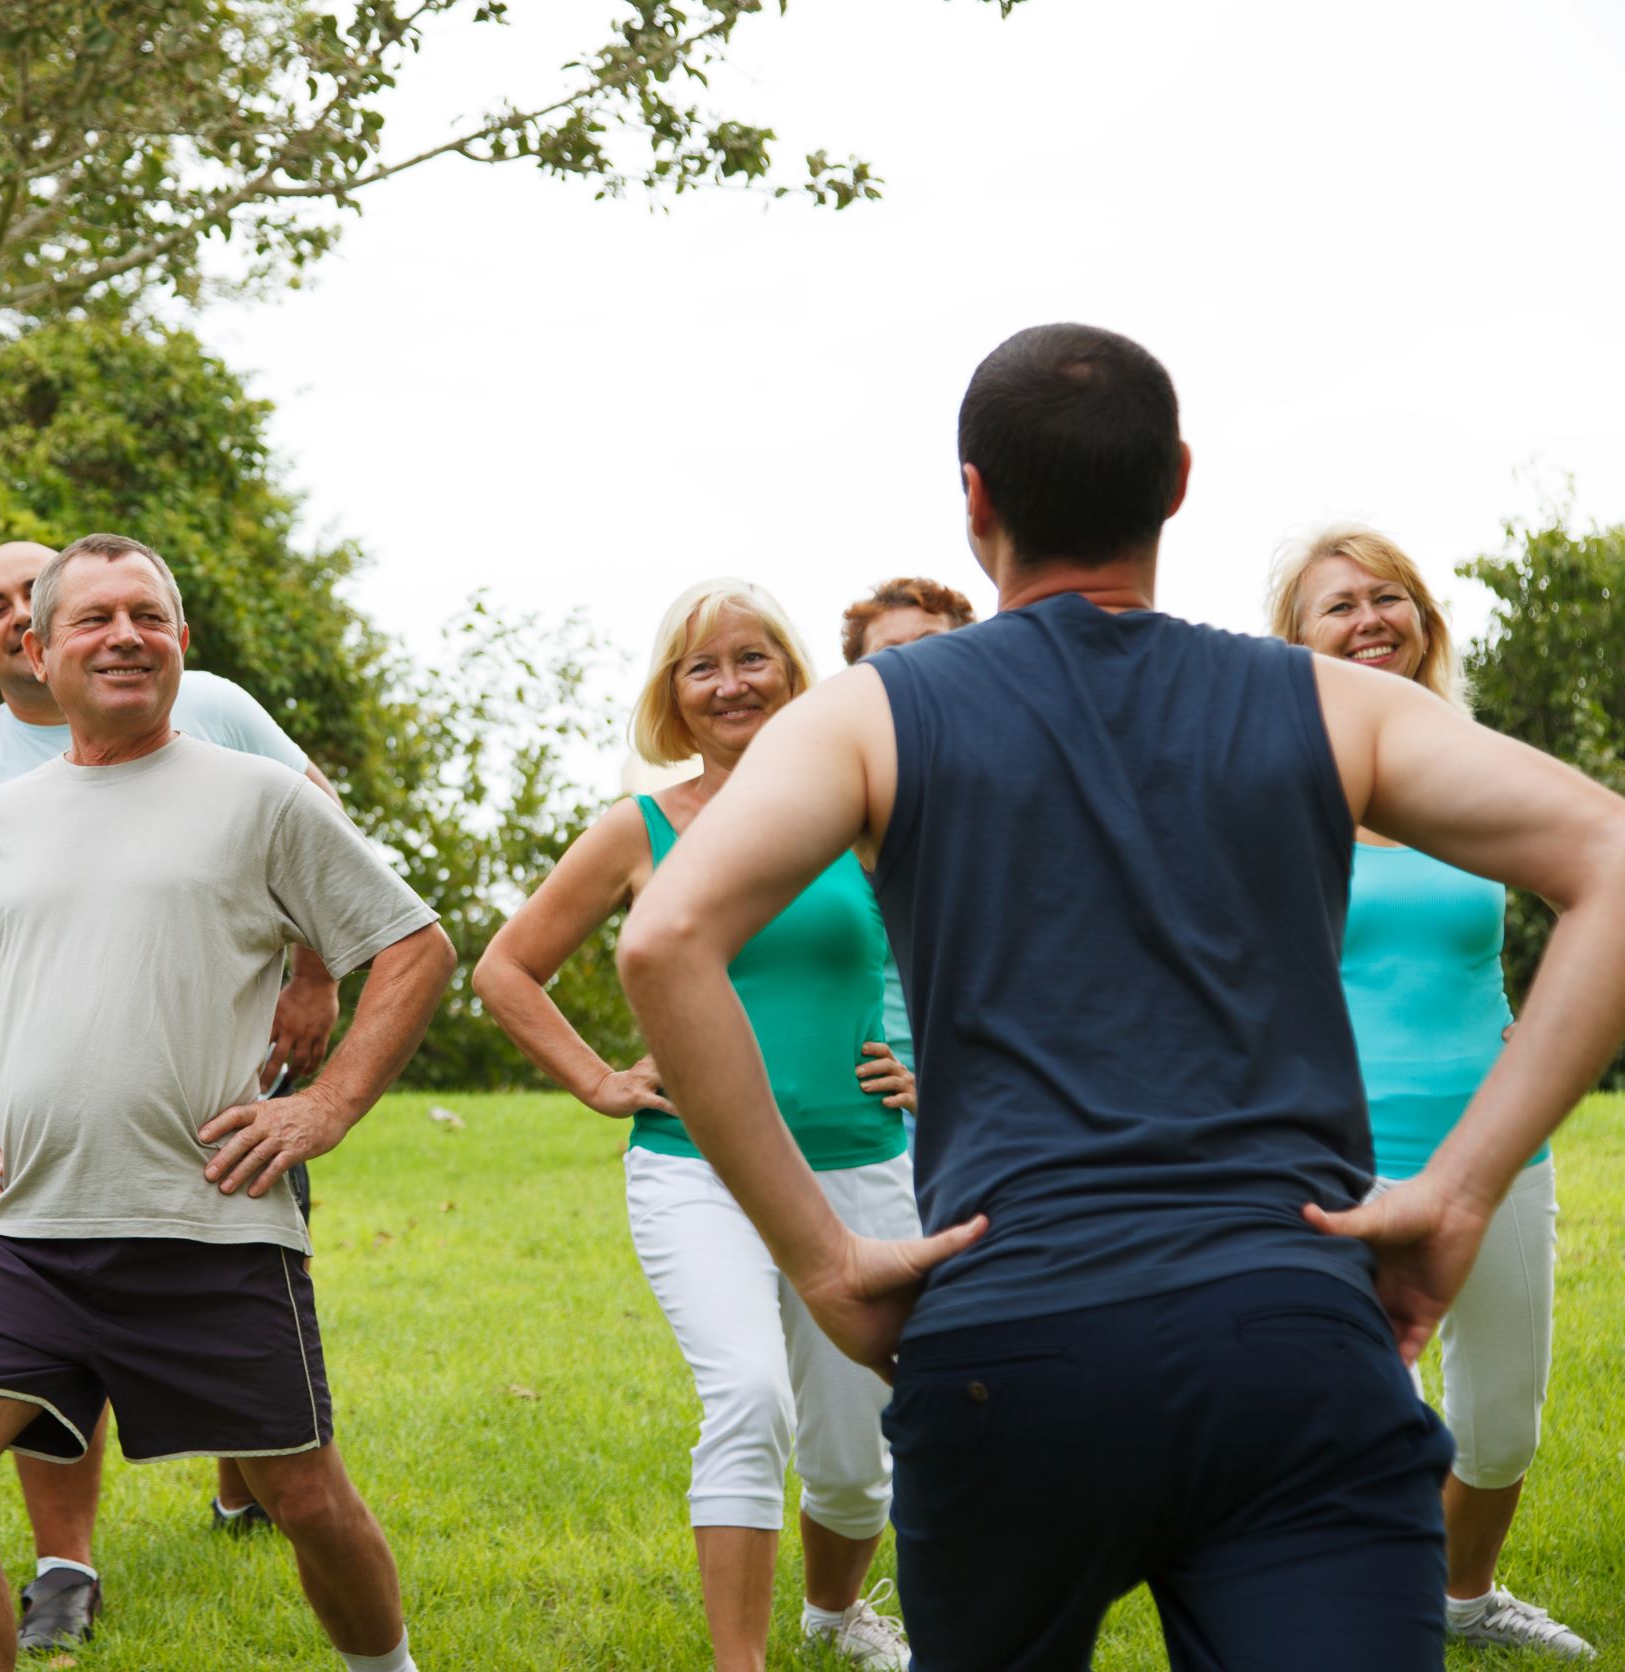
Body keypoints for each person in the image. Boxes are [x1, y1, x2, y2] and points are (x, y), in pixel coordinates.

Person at [617, 322, 1625, 1672]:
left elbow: (663, 941)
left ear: (974, 495)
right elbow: (1612, 860)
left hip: (1006, 1346)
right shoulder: (1332, 706)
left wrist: (825, 1262)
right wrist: (1458, 1191)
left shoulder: (870, 716)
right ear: (1178, 482)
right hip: (1294, 1340)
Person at [0, 533, 454, 1672]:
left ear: (184, 641)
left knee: (305, 1495)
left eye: (148, 615)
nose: (124, 635)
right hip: (21, 1230)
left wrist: (322, 1108)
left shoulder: (261, 798)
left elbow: (416, 946)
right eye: (94, 618)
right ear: (35, 646)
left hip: (208, 1226)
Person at [474, 578, 919, 1671]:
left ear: (794, 673)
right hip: (695, 1168)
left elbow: (979, 952)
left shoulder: (868, 818)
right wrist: (596, 1080)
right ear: (673, 694)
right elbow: (506, 968)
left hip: (859, 1168)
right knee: (749, 1393)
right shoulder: (641, 827)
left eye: (753, 657)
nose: (731, 683)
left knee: (856, 1461)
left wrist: (929, 1060)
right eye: (703, 666)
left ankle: (832, 1615)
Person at [1271, 526, 1591, 1658]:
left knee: (1500, 1423)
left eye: (1388, 598)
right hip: (1337, 1153)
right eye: (1339, 605)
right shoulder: (1276, 789)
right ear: (1295, 639)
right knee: (1355, 1426)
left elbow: (1582, 897)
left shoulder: (1474, 765)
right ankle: (1362, 1616)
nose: (1369, 621)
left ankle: (1465, 1598)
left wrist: (1534, 1027)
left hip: (1495, 1134)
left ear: (1422, 619)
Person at [836, 578, 979, 1089]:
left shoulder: (1005, 794)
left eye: (933, 646)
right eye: (891, 655)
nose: (916, 667)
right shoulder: (834, 806)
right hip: (873, 1109)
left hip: (990, 1101)